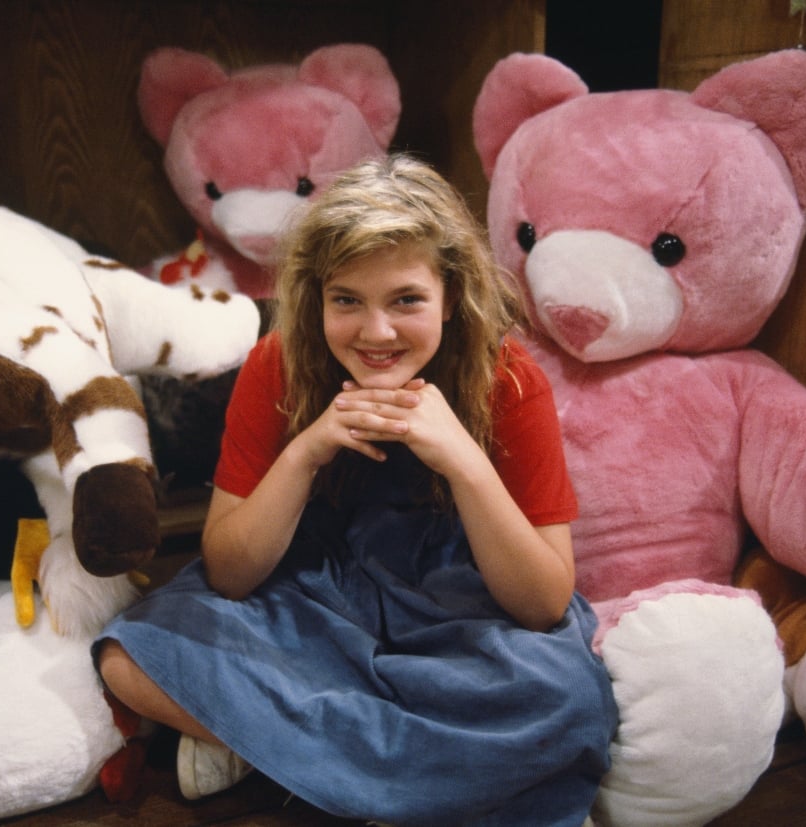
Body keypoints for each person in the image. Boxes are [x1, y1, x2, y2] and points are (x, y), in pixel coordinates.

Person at [94, 154, 617, 826]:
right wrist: (308, 449)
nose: (376, 332)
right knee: (128, 654)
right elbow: (228, 572)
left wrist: (465, 461)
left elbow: (545, 604)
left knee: (570, 695)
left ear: (451, 296)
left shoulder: (509, 379)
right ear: (316, 298)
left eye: (406, 299)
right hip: (316, 598)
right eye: (347, 300)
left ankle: (285, 753)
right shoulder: (276, 363)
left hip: (458, 611)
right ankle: (406, 775)